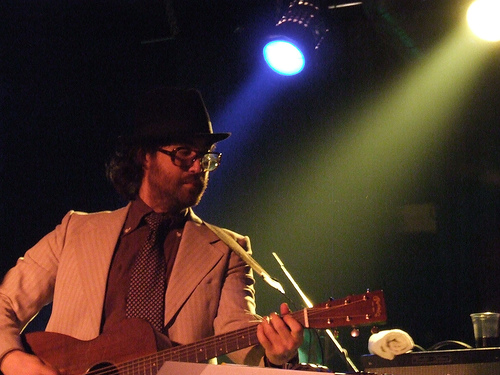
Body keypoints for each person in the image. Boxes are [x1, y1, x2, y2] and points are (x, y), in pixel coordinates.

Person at [0, 87, 303, 375]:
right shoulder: (76, 231)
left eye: (205, 156)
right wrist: (12, 360)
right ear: (145, 156)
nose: (198, 167)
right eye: (184, 153)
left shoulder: (226, 249)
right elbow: (6, 302)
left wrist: (274, 355)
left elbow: (238, 330)